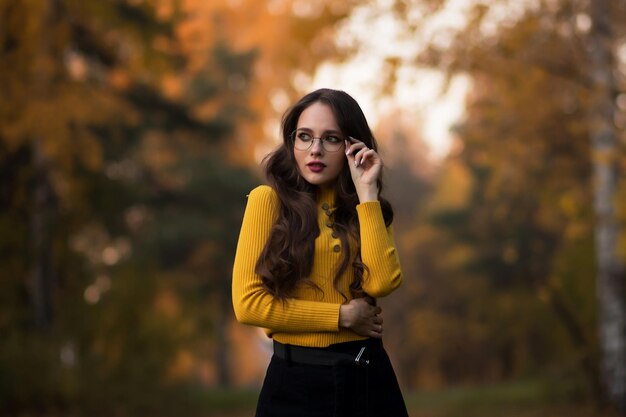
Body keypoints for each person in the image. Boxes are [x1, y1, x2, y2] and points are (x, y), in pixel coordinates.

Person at [232, 88, 408, 417]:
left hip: (368, 376)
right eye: (305, 137)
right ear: (291, 142)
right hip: (294, 382)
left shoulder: (368, 209)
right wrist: (341, 316)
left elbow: (381, 284)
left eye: (331, 139)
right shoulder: (267, 202)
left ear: (352, 146)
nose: (315, 150)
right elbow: (248, 305)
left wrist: (367, 193)